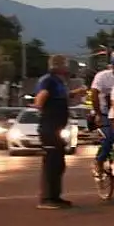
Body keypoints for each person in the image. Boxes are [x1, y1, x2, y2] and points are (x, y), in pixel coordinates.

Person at [34, 54, 86, 208]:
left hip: (57, 127)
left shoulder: (58, 81)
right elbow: (42, 96)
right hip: (50, 127)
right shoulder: (48, 79)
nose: (67, 67)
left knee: (58, 163)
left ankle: (56, 197)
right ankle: (47, 198)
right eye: (65, 64)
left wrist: (76, 92)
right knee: (51, 162)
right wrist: (41, 108)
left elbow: (62, 96)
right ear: (57, 65)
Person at [88, 52, 114, 177]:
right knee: (109, 138)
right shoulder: (103, 77)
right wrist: (98, 114)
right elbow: (94, 94)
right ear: (113, 66)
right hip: (103, 112)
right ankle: (99, 162)